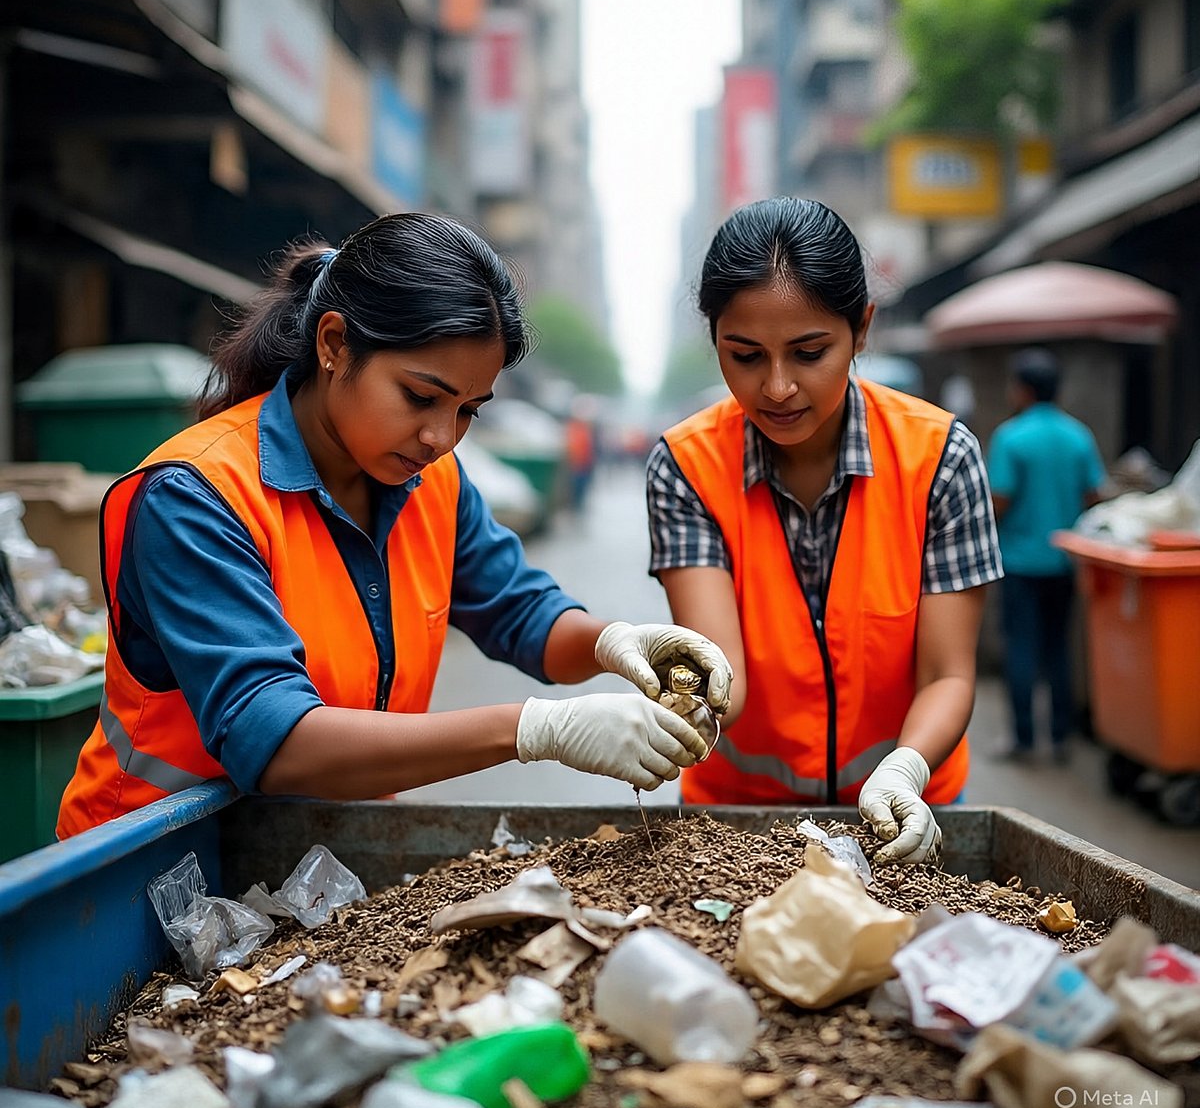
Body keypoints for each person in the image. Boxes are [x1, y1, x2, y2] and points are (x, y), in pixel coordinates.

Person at [57, 213, 732, 838]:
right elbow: (273, 738)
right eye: (420, 396)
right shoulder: (196, 496)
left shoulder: (426, 481)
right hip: (151, 870)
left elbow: (518, 610)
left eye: (469, 409)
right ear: (333, 344)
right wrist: (534, 730)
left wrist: (615, 642)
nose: (441, 436)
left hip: (318, 863)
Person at [646, 198, 1003, 864]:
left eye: (809, 352)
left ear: (861, 328)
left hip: (904, 811)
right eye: (745, 355)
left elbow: (948, 675)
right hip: (736, 823)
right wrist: (677, 712)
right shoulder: (687, 467)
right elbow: (724, 674)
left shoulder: (941, 460)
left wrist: (906, 770)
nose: (777, 387)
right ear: (714, 338)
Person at [987, 347, 1106, 764]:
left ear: (1023, 389)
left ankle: (1022, 738)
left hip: (1020, 560)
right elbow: (1095, 494)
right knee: (1057, 647)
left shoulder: (1011, 436)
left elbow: (999, 498)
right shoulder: (1079, 435)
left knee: (1020, 647)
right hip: (1063, 561)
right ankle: (1059, 737)